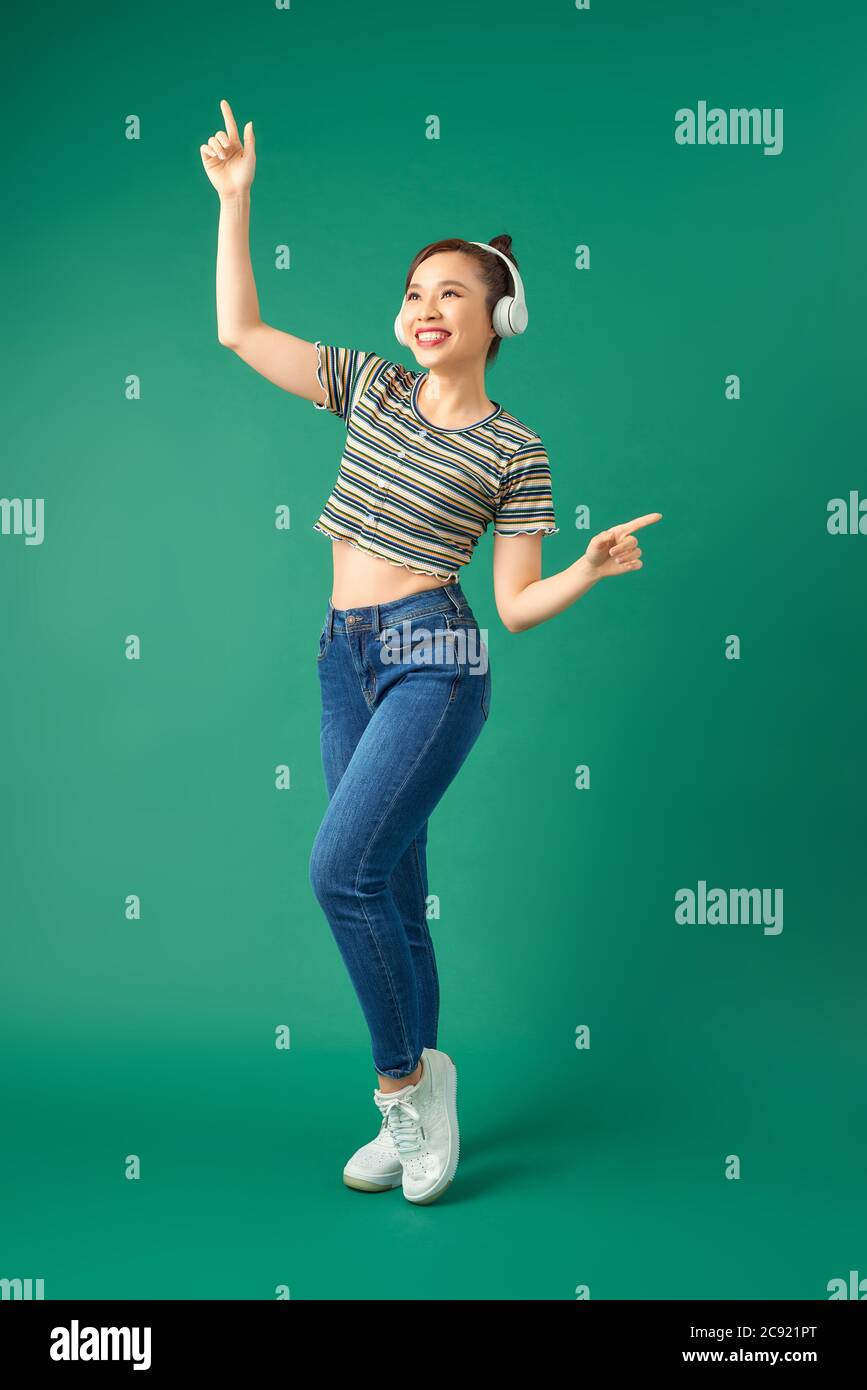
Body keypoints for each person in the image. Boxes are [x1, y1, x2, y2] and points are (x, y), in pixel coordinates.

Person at [200, 99, 662, 1206]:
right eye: (414, 291)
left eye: (450, 292)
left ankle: (404, 1090)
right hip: (343, 656)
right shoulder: (374, 387)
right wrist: (235, 202)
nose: (424, 307)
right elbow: (242, 334)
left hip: (435, 658)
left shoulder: (516, 447)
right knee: (393, 896)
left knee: (337, 870)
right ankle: (429, 1099)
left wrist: (585, 571)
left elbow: (512, 604)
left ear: (500, 315)